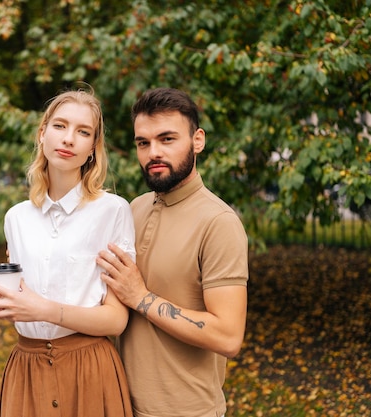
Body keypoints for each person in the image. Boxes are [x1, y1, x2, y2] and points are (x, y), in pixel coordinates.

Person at [0, 86, 136, 417]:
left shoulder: (113, 211)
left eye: (83, 132)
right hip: (27, 369)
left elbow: (117, 319)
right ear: (42, 133)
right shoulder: (16, 218)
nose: (69, 139)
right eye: (60, 126)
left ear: (93, 147)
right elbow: (19, 297)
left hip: (89, 371)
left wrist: (43, 309)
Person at [96, 87, 249, 417]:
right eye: (143, 142)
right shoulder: (132, 210)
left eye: (167, 139)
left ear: (197, 141)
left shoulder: (218, 222)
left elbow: (228, 337)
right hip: (120, 404)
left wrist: (141, 297)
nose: (153, 152)